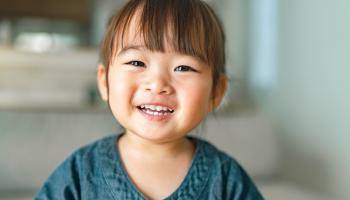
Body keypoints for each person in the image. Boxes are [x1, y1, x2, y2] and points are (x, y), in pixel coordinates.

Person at [35, 0, 263, 199]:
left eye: (183, 67)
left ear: (216, 92)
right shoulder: (80, 173)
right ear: (105, 82)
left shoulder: (225, 179)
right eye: (137, 63)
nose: (157, 84)